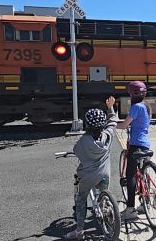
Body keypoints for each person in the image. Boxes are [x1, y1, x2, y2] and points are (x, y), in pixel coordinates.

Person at [65, 96, 118, 240]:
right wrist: (110, 107)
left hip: (88, 177)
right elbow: (113, 121)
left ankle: (79, 231)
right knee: (103, 192)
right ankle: (107, 212)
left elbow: (76, 150)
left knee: (81, 199)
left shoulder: (84, 141)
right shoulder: (108, 136)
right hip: (104, 174)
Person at [116, 81, 152, 220]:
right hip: (146, 144)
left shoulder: (136, 107)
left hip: (135, 144)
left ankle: (130, 209)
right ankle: (145, 204)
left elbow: (125, 125)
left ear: (130, 93)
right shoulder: (147, 106)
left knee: (130, 175)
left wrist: (112, 125)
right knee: (143, 173)